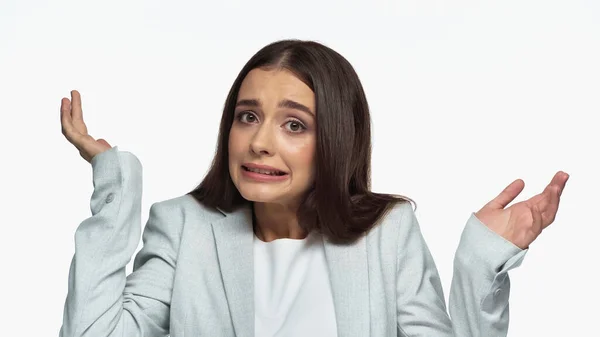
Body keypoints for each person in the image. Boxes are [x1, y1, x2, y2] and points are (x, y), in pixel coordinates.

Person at [58, 39, 569, 337]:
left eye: (294, 124)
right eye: (248, 116)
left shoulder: (388, 233)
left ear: (337, 139)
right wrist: (114, 181)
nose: (259, 142)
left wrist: (478, 262)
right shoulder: (183, 227)